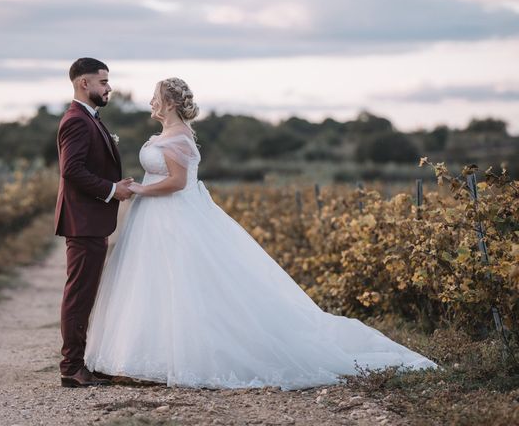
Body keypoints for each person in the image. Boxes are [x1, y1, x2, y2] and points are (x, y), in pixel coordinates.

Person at [84, 77, 437, 390]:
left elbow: (176, 182)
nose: (150, 102)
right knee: (154, 283)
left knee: (185, 283)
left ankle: (191, 354)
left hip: (174, 216)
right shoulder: (165, 135)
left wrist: (140, 191)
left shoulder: (180, 139)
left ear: (171, 103)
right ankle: (147, 354)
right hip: (154, 219)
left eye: (156, 96)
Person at [54, 57, 134, 387]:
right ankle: (71, 367)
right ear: (84, 84)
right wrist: (112, 190)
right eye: (103, 82)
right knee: (79, 294)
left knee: (85, 292)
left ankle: (82, 361)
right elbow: (71, 170)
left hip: (90, 221)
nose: (109, 87)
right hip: (83, 221)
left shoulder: (90, 118)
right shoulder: (76, 120)